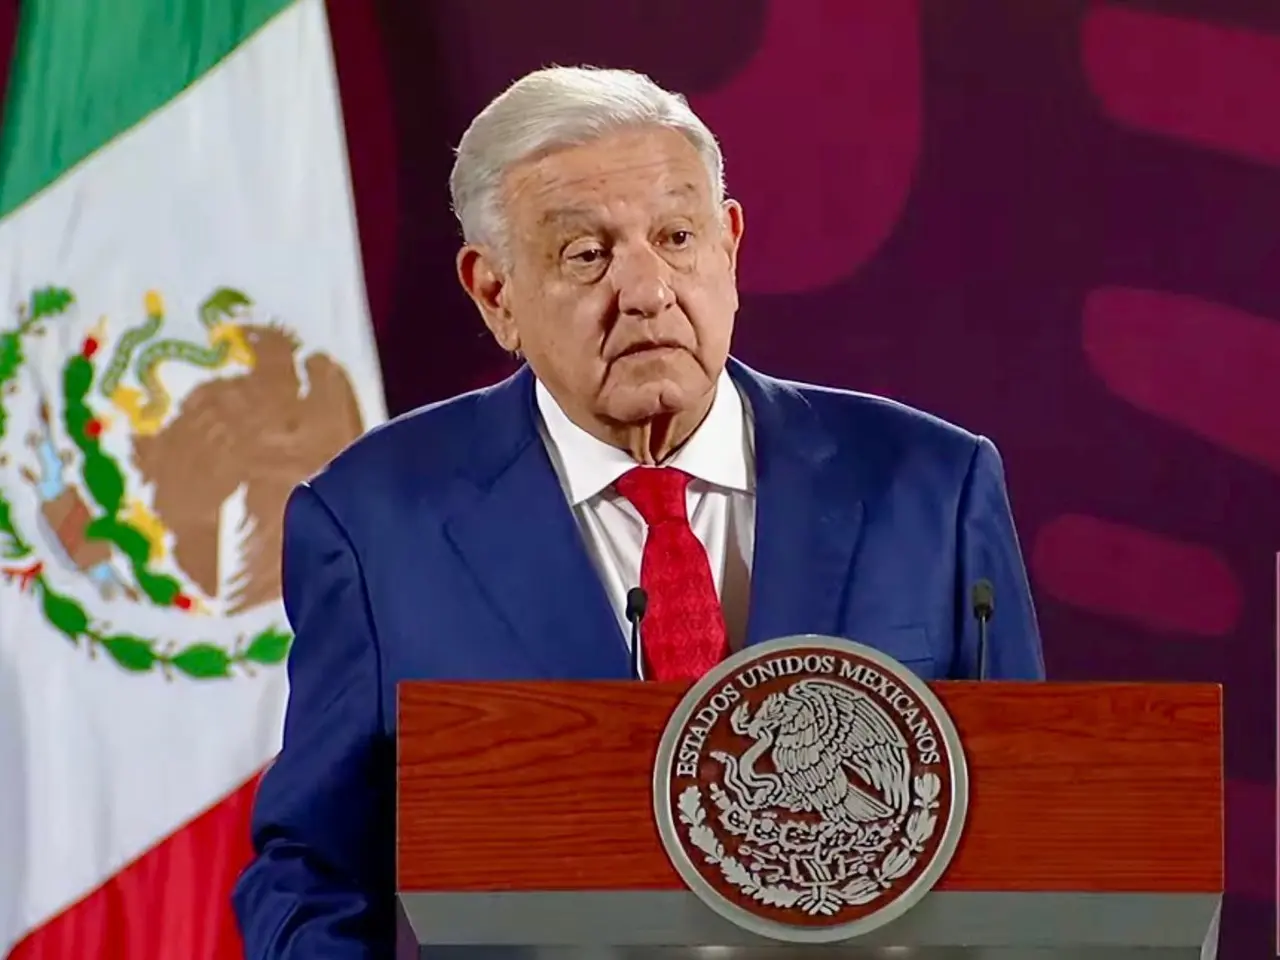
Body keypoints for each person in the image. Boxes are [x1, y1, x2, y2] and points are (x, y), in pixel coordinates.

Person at [232, 65, 1045, 958]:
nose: (648, 290)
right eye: (588, 255)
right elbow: (312, 868)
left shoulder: (930, 485)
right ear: (495, 293)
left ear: (729, 247)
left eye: (677, 236)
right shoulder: (373, 525)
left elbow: (1029, 835)